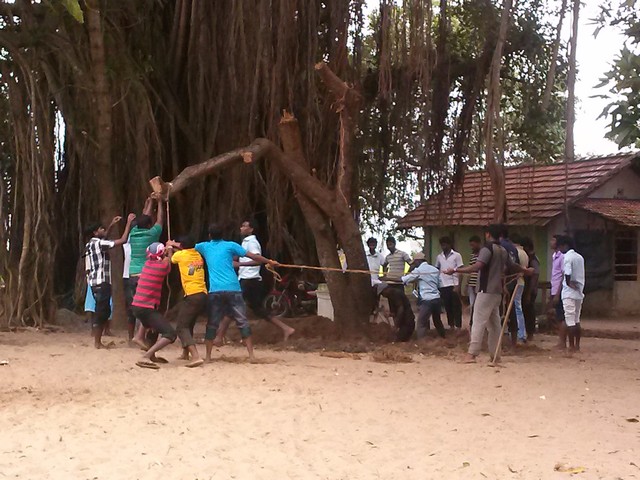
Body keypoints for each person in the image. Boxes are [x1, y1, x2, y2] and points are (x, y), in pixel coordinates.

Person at [445, 224, 533, 363]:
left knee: (478, 322)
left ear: (488, 234)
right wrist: (525, 270)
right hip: (497, 292)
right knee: (494, 325)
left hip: (485, 290)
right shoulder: (502, 250)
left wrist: (455, 270)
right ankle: (495, 354)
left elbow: (477, 266)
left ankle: (472, 354)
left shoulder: (487, 249)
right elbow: (512, 266)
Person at [196, 223, 279, 362]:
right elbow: (253, 256)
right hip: (233, 288)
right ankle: (251, 355)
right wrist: (269, 262)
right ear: (223, 235)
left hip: (215, 290)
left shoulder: (204, 247)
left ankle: (208, 357)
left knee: (212, 323)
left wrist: (170, 245)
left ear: (209, 236)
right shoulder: (231, 245)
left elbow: (185, 248)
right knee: (242, 321)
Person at [233, 219, 295, 342]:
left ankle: (221, 336)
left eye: (244, 226)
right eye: (241, 226)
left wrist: (239, 264)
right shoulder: (245, 242)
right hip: (248, 279)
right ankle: (286, 328)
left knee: (233, 305)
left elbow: (258, 260)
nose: (241, 228)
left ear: (251, 229)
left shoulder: (252, 242)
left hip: (249, 279)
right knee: (257, 309)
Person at [83, 213, 135, 349]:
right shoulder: (100, 243)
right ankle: (97, 342)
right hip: (102, 281)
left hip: (94, 282)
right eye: (101, 229)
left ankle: (98, 341)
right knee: (102, 311)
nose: (103, 230)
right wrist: (128, 223)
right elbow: (123, 240)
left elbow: (105, 237)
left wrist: (112, 225)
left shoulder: (90, 244)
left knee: (102, 310)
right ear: (95, 232)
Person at [131, 242, 177, 369]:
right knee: (170, 334)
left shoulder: (147, 264)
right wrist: (170, 249)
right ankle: (146, 356)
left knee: (153, 327)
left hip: (138, 305)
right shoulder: (161, 267)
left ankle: (141, 340)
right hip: (146, 308)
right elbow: (169, 262)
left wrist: (166, 250)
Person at [126, 196, 164, 341]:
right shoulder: (151, 234)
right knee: (148, 306)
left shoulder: (133, 232)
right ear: (149, 225)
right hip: (145, 275)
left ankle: (137, 335)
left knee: (137, 305)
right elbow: (160, 220)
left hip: (132, 274)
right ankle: (142, 336)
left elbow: (144, 217)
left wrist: (150, 202)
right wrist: (160, 202)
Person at [166, 236, 207, 367]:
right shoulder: (197, 255)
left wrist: (169, 248)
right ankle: (185, 353)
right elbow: (184, 249)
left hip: (192, 294)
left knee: (181, 327)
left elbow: (171, 260)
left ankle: (195, 356)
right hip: (202, 293)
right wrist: (174, 245)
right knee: (189, 324)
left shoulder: (180, 255)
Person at [401, 253, 446, 339]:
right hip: (437, 299)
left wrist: (387, 278)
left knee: (421, 323)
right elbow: (441, 285)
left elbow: (405, 279)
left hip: (427, 300)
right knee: (437, 321)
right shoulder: (435, 269)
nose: (414, 265)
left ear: (418, 261)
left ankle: (421, 342)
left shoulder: (419, 270)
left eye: (415, 262)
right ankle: (443, 337)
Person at [558, 236, 585, 352]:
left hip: (569, 292)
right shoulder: (579, 257)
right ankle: (577, 345)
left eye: (560, 247)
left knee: (570, 320)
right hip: (579, 291)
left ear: (565, 245)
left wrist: (569, 283)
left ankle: (571, 346)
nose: (560, 250)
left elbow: (567, 273)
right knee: (576, 319)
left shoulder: (567, 257)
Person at [499, 226, 523, 348]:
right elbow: (515, 266)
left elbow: (503, 268)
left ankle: (499, 343)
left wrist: (503, 284)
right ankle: (513, 342)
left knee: (499, 312)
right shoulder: (513, 248)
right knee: (511, 311)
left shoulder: (500, 247)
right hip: (512, 283)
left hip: (502, 284)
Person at [435, 236, 463, 329]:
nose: (443, 247)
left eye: (445, 245)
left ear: (450, 244)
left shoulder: (457, 255)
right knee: (447, 306)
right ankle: (451, 326)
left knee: (456, 306)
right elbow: (436, 270)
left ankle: (458, 326)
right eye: (442, 245)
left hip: (454, 284)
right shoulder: (439, 257)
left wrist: (458, 286)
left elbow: (461, 271)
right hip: (443, 285)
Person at [511, 234, 530, 343]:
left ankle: (520, 333)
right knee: (518, 307)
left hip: (516, 282)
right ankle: (521, 333)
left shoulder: (516, 253)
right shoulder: (525, 253)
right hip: (521, 282)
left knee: (516, 308)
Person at [550, 234, 567, 348]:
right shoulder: (554, 256)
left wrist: (557, 293)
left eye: (553, 240)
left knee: (561, 316)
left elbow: (563, 275)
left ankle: (562, 342)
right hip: (554, 288)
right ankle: (561, 340)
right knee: (557, 316)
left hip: (559, 290)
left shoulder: (562, 257)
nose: (551, 242)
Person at [521, 237, 540, 340]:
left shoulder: (533, 260)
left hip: (530, 290)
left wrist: (529, 293)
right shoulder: (529, 258)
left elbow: (534, 277)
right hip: (527, 289)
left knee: (529, 312)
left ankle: (530, 333)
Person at [467, 235, 482, 325]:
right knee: (472, 304)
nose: (472, 247)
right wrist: (467, 283)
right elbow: (470, 269)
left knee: (478, 304)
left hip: (479, 283)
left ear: (478, 243)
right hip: (471, 284)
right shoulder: (472, 255)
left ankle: (475, 322)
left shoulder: (482, 255)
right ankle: (472, 322)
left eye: (473, 245)